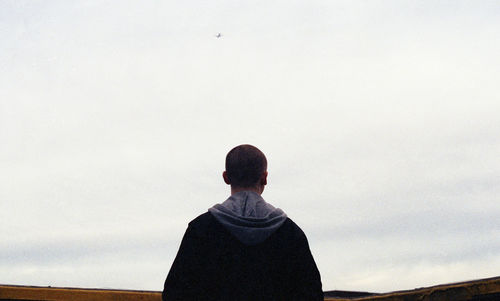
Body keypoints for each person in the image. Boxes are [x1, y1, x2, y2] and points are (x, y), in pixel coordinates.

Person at [162, 144, 323, 301]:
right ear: (265, 177)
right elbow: (311, 294)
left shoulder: (200, 229)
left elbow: (175, 293)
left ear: (226, 177)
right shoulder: (290, 232)